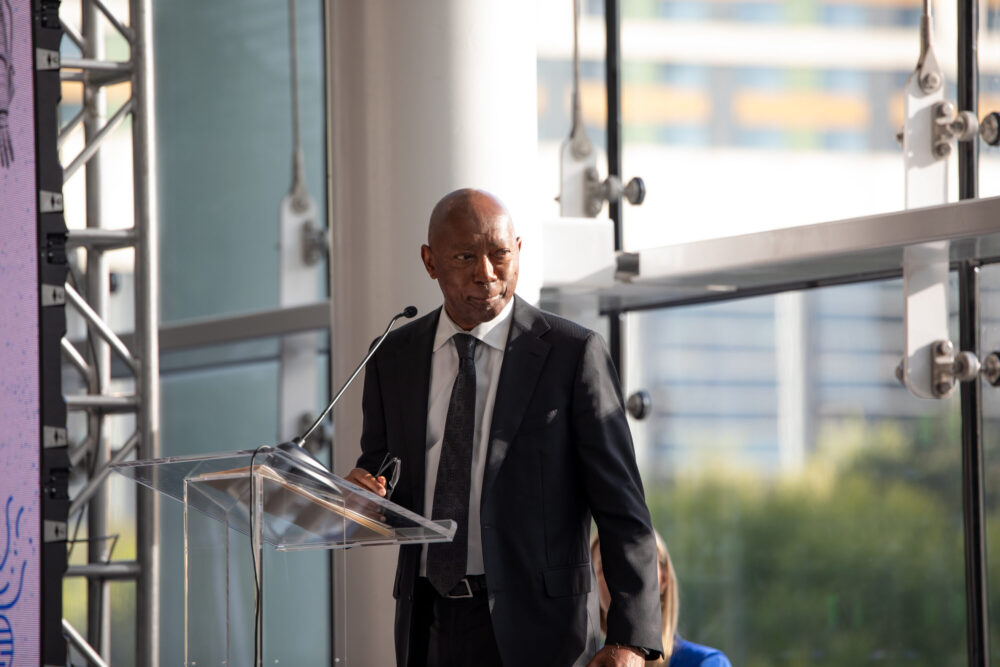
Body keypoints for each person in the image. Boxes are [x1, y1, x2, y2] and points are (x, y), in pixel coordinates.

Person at [346, 188, 663, 666]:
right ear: (430, 262)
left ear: (519, 251)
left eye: (499, 254)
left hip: (542, 633)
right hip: (428, 622)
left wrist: (631, 640)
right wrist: (360, 498)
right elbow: (384, 477)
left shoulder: (572, 354)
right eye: (465, 257)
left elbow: (623, 509)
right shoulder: (392, 357)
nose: (486, 273)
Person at [591, 532, 733, 667]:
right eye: (606, 567)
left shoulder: (707, 663)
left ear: (664, 578)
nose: (621, 577)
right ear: (592, 583)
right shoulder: (586, 662)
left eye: (635, 565)